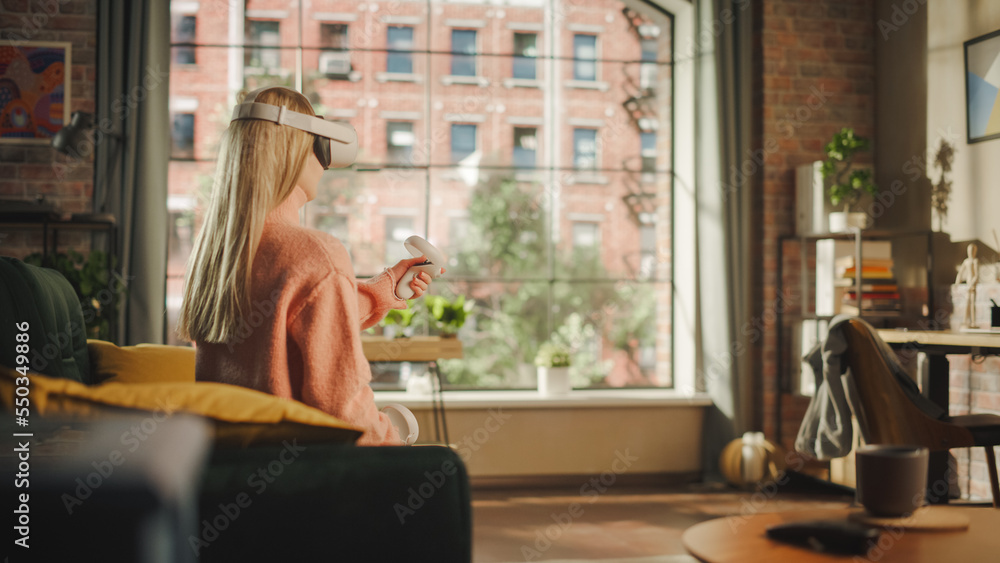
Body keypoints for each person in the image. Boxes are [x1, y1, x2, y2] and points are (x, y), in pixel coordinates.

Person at [176, 86, 436, 445]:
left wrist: (384, 289)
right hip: (303, 483)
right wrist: (399, 445)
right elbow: (345, 411)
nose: (324, 162)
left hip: (228, 472)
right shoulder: (315, 253)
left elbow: (286, 327)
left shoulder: (215, 257)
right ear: (298, 151)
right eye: (319, 146)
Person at [955, 243, 979, 328]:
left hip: (972, 285)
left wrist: (971, 284)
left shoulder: (975, 261)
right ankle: (965, 321)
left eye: (972, 250)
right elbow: (960, 272)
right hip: (968, 283)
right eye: (969, 250)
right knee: (967, 303)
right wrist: (957, 282)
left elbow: (976, 275)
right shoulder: (966, 261)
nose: (970, 252)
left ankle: (973, 322)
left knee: (973, 303)